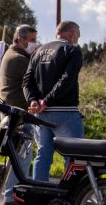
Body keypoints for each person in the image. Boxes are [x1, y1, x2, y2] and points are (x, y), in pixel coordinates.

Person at [23, 21, 84, 182]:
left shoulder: (38, 51)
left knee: (43, 155)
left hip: (41, 116)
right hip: (66, 112)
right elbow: (67, 79)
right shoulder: (72, 50)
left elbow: (27, 81)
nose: (78, 38)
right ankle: (72, 197)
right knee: (74, 158)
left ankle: (38, 195)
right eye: (78, 34)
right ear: (71, 34)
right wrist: (47, 101)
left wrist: (33, 101)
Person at [0, 24, 39, 204]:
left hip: (14, 112)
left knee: (18, 155)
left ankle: (12, 193)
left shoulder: (13, 54)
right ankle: (12, 194)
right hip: (19, 114)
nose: (35, 44)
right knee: (21, 157)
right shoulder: (19, 59)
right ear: (21, 39)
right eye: (32, 40)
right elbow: (38, 78)